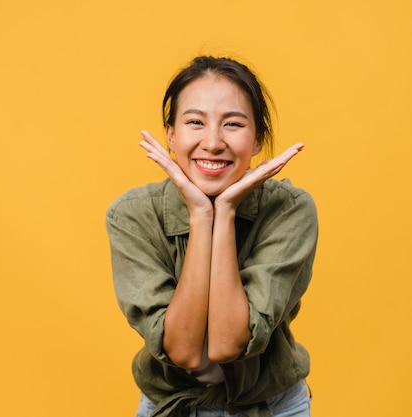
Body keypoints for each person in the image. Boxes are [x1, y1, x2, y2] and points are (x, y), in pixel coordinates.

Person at [106, 56, 318, 417]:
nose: (214, 142)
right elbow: (183, 352)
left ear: (257, 140)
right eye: (194, 123)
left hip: (272, 406)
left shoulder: (290, 209)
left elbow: (226, 344)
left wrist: (227, 211)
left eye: (233, 124)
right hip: (171, 406)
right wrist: (202, 215)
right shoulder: (132, 214)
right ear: (171, 135)